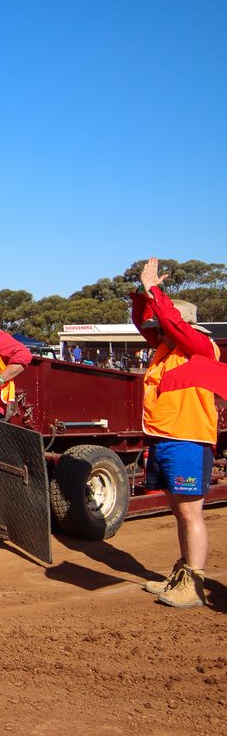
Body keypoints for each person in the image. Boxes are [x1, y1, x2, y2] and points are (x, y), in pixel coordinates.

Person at [132, 257, 220, 608]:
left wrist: (155, 289)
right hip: (166, 438)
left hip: (189, 439)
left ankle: (195, 585)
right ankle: (184, 572)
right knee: (178, 510)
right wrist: (143, 292)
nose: (157, 327)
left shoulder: (201, 346)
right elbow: (143, 322)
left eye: (163, 321)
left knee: (189, 512)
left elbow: (169, 321)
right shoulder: (167, 349)